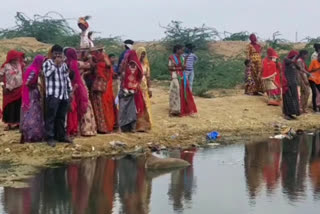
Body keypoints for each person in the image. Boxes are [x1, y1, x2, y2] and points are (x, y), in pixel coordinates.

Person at [43, 45, 73, 147]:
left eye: (59, 54)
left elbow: (66, 78)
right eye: (55, 54)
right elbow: (46, 74)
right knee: (51, 117)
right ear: (52, 54)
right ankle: (49, 137)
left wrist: (70, 90)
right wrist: (55, 65)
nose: (57, 56)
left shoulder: (64, 65)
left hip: (63, 94)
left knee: (61, 117)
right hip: (53, 94)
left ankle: (61, 136)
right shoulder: (47, 63)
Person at [20, 55, 46, 143]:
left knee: (30, 113)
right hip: (32, 94)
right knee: (33, 113)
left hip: (31, 93)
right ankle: (32, 134)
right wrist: (36, 85)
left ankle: (28, 134)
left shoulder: (32, 69)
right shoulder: (34, 71)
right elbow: (27, 82)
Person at [65, 48, 90, 137]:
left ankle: (72, 129)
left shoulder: (65, 64)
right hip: (79, 86)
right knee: (81, 108)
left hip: (69, 87)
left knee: (71, 109)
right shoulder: (78, 63)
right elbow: (89, 65)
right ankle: (83, 130)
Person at [91, 48, 116, 133]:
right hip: (106, 88)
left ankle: (102, 127)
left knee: (100, 107)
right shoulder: (107, 66)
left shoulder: (98, 65)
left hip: (98, 88)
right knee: (107, 106)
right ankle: (108, 126)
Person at [118, 50, 144, 132]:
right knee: (126, 108)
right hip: (127, 90)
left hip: (132, 90)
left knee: (131, 109)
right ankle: (125, 127)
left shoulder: (129, 65)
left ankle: (131, 127)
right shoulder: (127, 65)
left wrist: (135, 86)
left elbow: (140, 77)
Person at [168, 45, 197, 116]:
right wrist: (180, 68)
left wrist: (183, 68)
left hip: (182, 75)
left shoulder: (182, 57)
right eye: (181, 50)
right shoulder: (171, 57)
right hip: (175, 75)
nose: (182, 51)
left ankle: (185, 108)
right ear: (177, 50)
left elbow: (183, 67)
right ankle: (175, 109)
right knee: (177, 90)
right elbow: (170, 68)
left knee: (185, 90)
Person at [0, 50, 25, 130]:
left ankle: (18, 123)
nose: (16, 59)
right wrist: (3, 86)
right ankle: (9, 124)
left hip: (19, 89)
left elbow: (24, 72)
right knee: (9, 107)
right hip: (8, 90)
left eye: (17, 58)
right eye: (14, 58)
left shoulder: (20, 65)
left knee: (18, 106)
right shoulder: (5, 66)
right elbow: (0, 76)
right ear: (10, 58)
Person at [136, 47, 152, 131]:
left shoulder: (146, 65)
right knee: (138, 105)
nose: (142, 55)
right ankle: (139, 125)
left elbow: (148, 77)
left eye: (144, 54)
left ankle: (146, 124)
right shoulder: (135, 64)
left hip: (144, 87)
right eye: (141, 53)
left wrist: (150, 88)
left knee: (145, 105)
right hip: (137, 87)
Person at [282, 51, 300, 120]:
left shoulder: (293, 62)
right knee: (287, 98)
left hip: (293, 84)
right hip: (287, 83)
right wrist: (295, 57)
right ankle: (286, 114)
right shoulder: (286, 60)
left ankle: (291, 113)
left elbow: (299, 68)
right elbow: (290, 61)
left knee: (294, 99)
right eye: (295, 56)